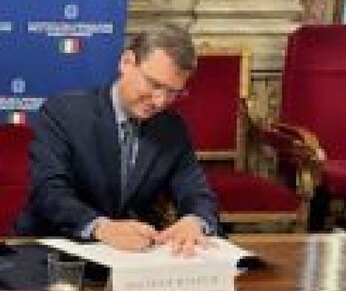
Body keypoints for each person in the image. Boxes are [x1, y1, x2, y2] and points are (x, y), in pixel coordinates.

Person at [14, 23, 220, 254]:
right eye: (154, 84)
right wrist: (101, 227)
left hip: (131, 258)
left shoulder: (172, 128)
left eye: (173, 92)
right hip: (54, 250)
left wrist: (195, 221)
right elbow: (49, 192)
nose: (160, 101)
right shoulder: (64, 112)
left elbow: (196, 191)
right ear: (126, 62)